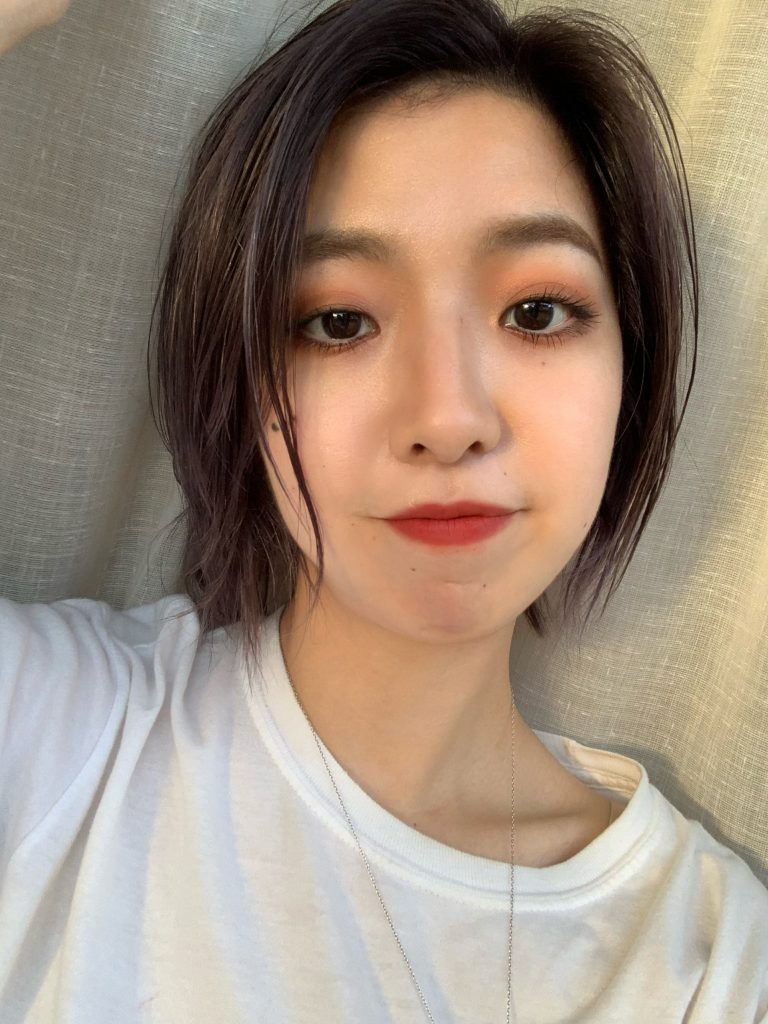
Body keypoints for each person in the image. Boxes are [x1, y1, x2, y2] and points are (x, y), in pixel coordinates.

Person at [1, 0, 767, 1021]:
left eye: (536, 311)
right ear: (240, 386)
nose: (447, 420)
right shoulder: (58, 739)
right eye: (337, 321)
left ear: (632, 367)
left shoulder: (710, 960)